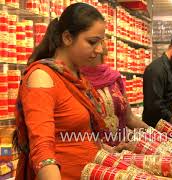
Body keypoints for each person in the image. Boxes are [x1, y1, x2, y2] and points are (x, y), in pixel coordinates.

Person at [12, 3, 108, 179]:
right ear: (67, 38)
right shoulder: (42, 78)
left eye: (101, 42)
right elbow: (42, 148)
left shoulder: (79, 78)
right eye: (92, 42)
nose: (100, 50)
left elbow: (81, 136)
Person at [80, 53, 149, 147]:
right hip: (95, 155)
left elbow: (130, 118)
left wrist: (155, 135)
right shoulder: (75, 81)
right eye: (91, 42)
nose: (98, 49)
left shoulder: (114, 78)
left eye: (99, 42)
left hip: (123, 153)